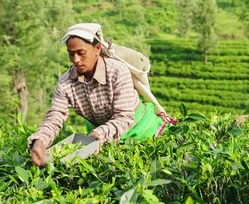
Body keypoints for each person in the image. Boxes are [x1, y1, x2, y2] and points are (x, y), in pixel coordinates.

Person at [28, 23, 166, 167]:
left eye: (81, 53)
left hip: (138, 128)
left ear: (97, 49)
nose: (75, 59)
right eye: (71, 53)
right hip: (100, 135)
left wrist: (100, 134)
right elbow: (55, 117)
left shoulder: (117, 72)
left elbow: (124, 116)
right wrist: (40, 141)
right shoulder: (66, 82)